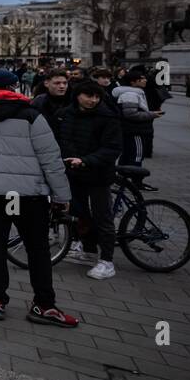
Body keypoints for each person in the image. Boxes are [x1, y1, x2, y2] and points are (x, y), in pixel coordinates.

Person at [0, 69, 76, 327]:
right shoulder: (31, 115)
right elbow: (51, 159)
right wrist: (62, 194)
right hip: (26, 195)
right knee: (37, 249)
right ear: (14, 86)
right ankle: (44, 305)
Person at [56, 80, 122, 278]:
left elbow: (112, 148)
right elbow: (61, 140)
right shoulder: (64, 114)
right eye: (88, 96)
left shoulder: (108, 117)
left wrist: (85, 160)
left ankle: (107, 261)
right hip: (74, 173)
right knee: (80, 214)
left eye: (96, 96)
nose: (93, 100)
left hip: (98, 173)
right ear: (78, 96)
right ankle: (89, 251)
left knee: (103, 216)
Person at [114, 68, 161, 166]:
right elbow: (131, 114)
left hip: (132, 128)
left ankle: (124, 175)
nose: (145, 80)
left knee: (128, 154)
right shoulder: (130, 94)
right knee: (136, 155)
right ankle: (135, 177)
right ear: (133, 82)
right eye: (142, 79)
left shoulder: (135, 92)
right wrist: (151, 114)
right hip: (134, 129)